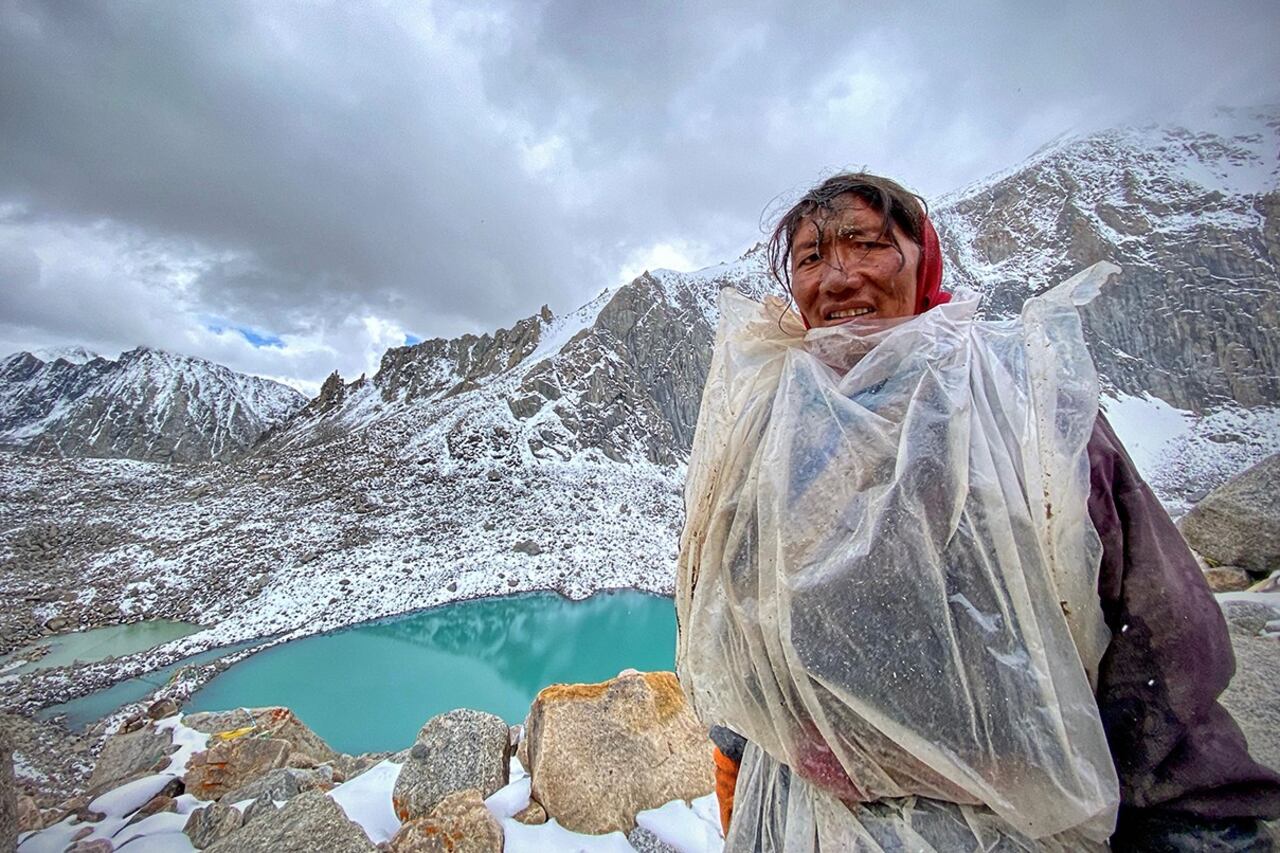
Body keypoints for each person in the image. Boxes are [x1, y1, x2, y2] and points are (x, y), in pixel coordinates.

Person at [689, 172, 1280, 851]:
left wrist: (1193, 817)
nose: (840, 276)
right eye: (811, 256)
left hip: (998, 822)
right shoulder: (774, 426)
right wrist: (737, 757)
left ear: (924, 259)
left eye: (868, 244)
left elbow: (1154, 623)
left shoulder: (1014, 405)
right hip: (800, 813)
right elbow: (743, 626)